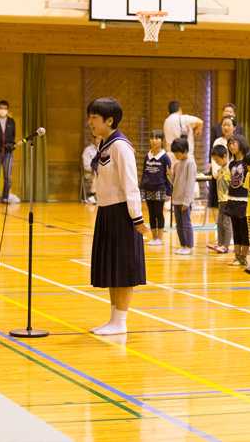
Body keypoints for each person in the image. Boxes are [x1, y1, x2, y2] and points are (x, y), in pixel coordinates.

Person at [86, 97, 149, 336]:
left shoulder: (121, 146)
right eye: (89, 117)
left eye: (94, 118)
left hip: (123, 214)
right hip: (107, 211)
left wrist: (137, 217)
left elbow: (130, 184)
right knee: (112, 268)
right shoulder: (105, 145)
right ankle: (113, 319)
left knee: (123, 269)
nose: (90, 122)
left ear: (109, 120)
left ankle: (121, 321)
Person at [139, 130, 172, 246]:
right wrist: (141, 187)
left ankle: (160, 238)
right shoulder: (146, 157)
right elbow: (144, 173)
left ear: (162, 141)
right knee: (151, 213)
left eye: (157, 138)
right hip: (148, 188)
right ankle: (153, 238)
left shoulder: (165, 158)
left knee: (159, 213)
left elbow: (168, 176)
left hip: (160, 189)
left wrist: (169, 192)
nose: (154, 141)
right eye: (152, 138)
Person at [224, 134, 250, 266]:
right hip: (232, 199)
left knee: (244, 229)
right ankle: (236, 255)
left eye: (234, 143)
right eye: (229, 144)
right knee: (236, 228)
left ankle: (243, 257)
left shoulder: (247, 162)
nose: (231, 146)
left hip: (245, 200)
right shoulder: (231, 164)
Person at [169, 137, 197, 255]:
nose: (176, 156)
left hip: (185, 201)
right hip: (176, 199)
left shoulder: (190, 163)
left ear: (185, 151)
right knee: (179, 224)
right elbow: (174, 182)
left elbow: (191, 183)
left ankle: (189, 246)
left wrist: (187, 201)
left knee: (186, 224)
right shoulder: (176, 164)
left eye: (178, 153)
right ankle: (183, 245)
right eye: (174, 153)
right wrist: (168, 175)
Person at [208, 116, 236, 217]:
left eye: (229, 125)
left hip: (232, 178)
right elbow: (214, 160)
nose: (226, 128)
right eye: (224, 125)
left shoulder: (237, 142)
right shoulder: (218, 141)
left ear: (234, 127)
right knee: (220, 206)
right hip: (219, 177)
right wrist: (217, 173)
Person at [208, 145, 232, 254]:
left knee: (226, 223)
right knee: (219, 222)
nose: (216, 162)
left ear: (225, 156)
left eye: (217, 160)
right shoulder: (220, 169)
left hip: (228, 200)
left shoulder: (230, 169)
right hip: (221, 200)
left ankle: (226, 246)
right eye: (214, 160)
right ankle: (220, 243)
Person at [82, 134, 98, 204]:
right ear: (94, 139)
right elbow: (86, 166)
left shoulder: (106, 149)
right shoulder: (88, 150)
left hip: (104, 172)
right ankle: (93, 195)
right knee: (98, 172)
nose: (100, 140)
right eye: (98, 138)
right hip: (90, 173)